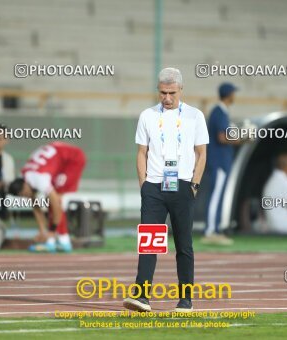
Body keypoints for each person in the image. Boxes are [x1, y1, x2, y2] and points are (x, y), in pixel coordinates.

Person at [123, 68, 209, 313]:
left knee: (184, 244)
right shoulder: (147, 116)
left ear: (181, 90)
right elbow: (141, 152)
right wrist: (144, 185)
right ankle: (141, 296)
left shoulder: (195, 116)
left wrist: (194, 185)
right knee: (149, 243)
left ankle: (185, 300)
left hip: (182, 185)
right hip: (154, 187)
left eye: (172, 93)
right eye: (163, 92)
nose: (167, 98)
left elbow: (202, 153)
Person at [8, 142, 86, 253]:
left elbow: (56, 204)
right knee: (51, 199)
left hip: (73, 159)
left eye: (25, 193)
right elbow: (35, 206)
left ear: (25, 185)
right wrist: (42, 231)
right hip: (59, 156)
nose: (27, 196)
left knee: (55, 199)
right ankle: (54, 240)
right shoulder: (25, 179)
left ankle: (62, 241)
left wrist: (51, 230)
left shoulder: (39, 179)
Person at [203, 82, 249, 245]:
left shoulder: (221, 112)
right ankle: (211, 231)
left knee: (218, 195)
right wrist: (242, 140)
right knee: (215, 195)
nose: (234, 96)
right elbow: (222, 137)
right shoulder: (219, 111)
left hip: (221, 161)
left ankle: (215, 229)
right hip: (219, 161)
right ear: (229, 95)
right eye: (233, 93)